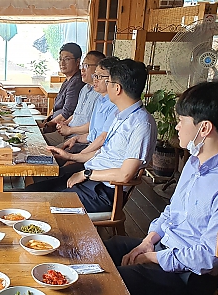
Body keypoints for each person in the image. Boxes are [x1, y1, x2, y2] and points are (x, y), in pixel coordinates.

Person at [104, 81, 218, 295]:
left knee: (107, 283)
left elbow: (209, 257)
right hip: (165, 250)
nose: (177, 127)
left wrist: (153, 259)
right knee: (104, 249)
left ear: (204, 128)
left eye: (181, 121)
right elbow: (173, 210)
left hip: (189, 278)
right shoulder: (195, 160)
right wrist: (147, 242)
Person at [26, 59, 156, 214]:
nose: (106, 86)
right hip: (91, 181)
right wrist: (71, 157)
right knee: (30, 192)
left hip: (103, 192)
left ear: (117, 88)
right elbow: (103, 153)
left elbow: (125, 174)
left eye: (109, 82)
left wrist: (86, 173)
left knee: (35, 206)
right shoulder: (120, 115)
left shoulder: (141, 123)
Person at [50, 56, 120, 171]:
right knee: (46, 156)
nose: (95, 79)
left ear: (113, 80)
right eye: (95, 76)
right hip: (84, 144)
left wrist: (77, 156)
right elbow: (93, 133)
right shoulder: (100, 100)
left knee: (53, 166)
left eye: (99, 76)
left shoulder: (115, 106)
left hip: (94, 154)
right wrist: (76, 138)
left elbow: (102, 140)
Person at [43, 51, 105, 147]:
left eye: (86, 66)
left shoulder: (101, 94)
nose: (82, 70)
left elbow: (94, 126)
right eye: (82, 65)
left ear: (98, 69)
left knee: (47, 153)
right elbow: (76, 113)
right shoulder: (84, 88)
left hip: (79, 138)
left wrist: (70, 130)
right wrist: (65, 123)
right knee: (36, 141)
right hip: (67, 132)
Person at [42, 42, 85, 133]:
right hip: (52, 123)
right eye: (60, 59)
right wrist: (45, 122)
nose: (62, 63)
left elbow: (66, 113)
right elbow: (55, 108)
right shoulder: (68, 79)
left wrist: (46, 126)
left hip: (60, 128)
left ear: (78, 61)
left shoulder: (77, 82)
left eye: (67, 59)